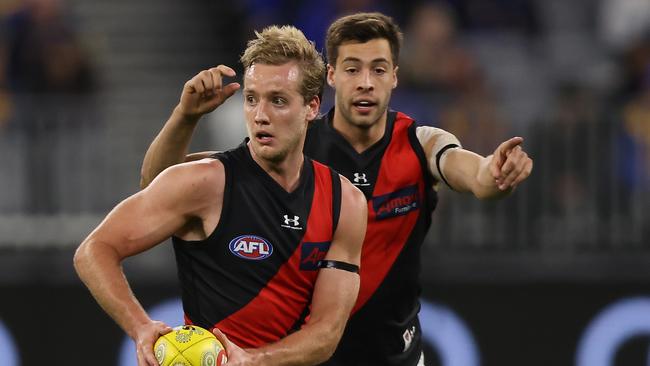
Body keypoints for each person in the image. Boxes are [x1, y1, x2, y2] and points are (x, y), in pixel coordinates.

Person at [140, 13, 533, 366]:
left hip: (393, 355)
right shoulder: (290, 143)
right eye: (351, 69)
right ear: (330, 77)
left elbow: (477, 176)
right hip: (307, 356)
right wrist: (184, 117)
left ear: (395, 76)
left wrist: (495, 172)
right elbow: (159, 185)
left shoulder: (421, 143)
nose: (365, 83)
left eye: (378, 70)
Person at [74, 25, 367, 366]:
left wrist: (253, 360)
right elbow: (94, 250)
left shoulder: (344, 202)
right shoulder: (208, 182)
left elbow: (326, 334)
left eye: (278, 101)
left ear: (312, 106)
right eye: (252, 98)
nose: (260, 116)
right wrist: (140, 327)